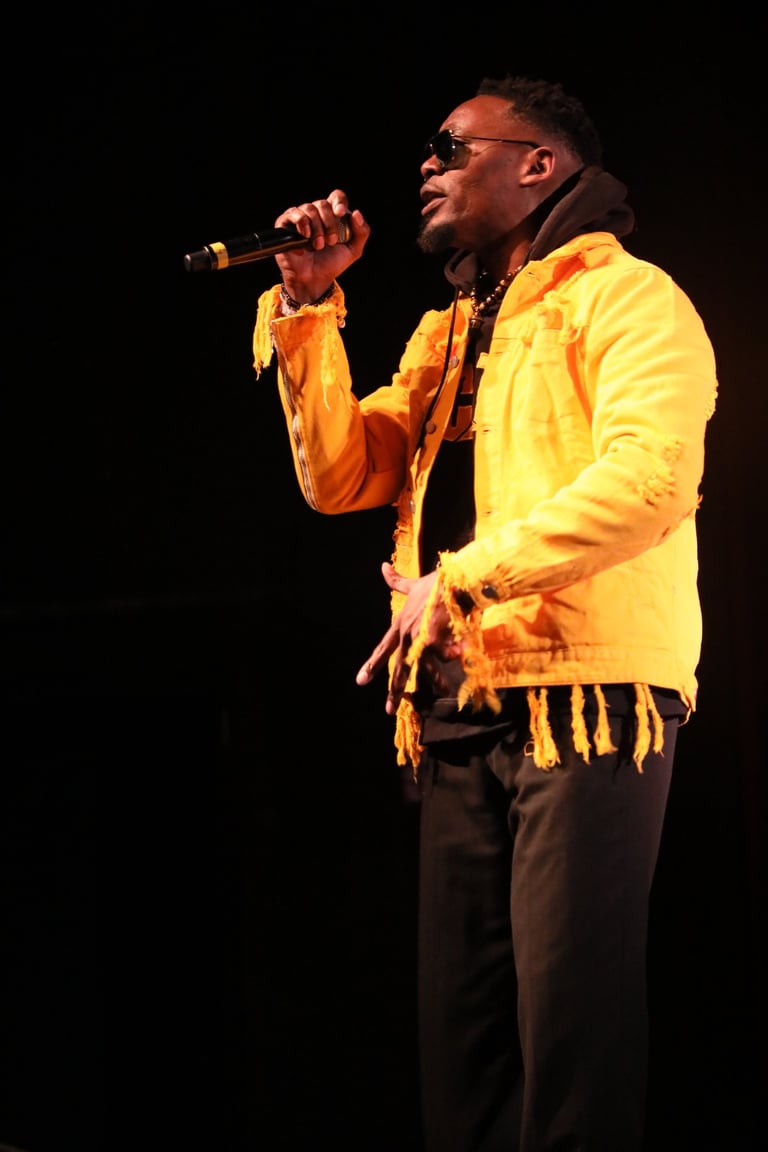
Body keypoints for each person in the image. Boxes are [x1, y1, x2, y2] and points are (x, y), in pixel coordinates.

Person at [251, 74, 718, 1152]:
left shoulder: (628, 298)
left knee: (572, 1042)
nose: (426, 165)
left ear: (538, 164)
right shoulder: (451, 334)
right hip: (459, 697)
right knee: (463, 1054)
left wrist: (462, 576)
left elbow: (650, 481)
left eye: (451, 147)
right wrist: (309, 306)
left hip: (587, 693)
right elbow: (341, 475)